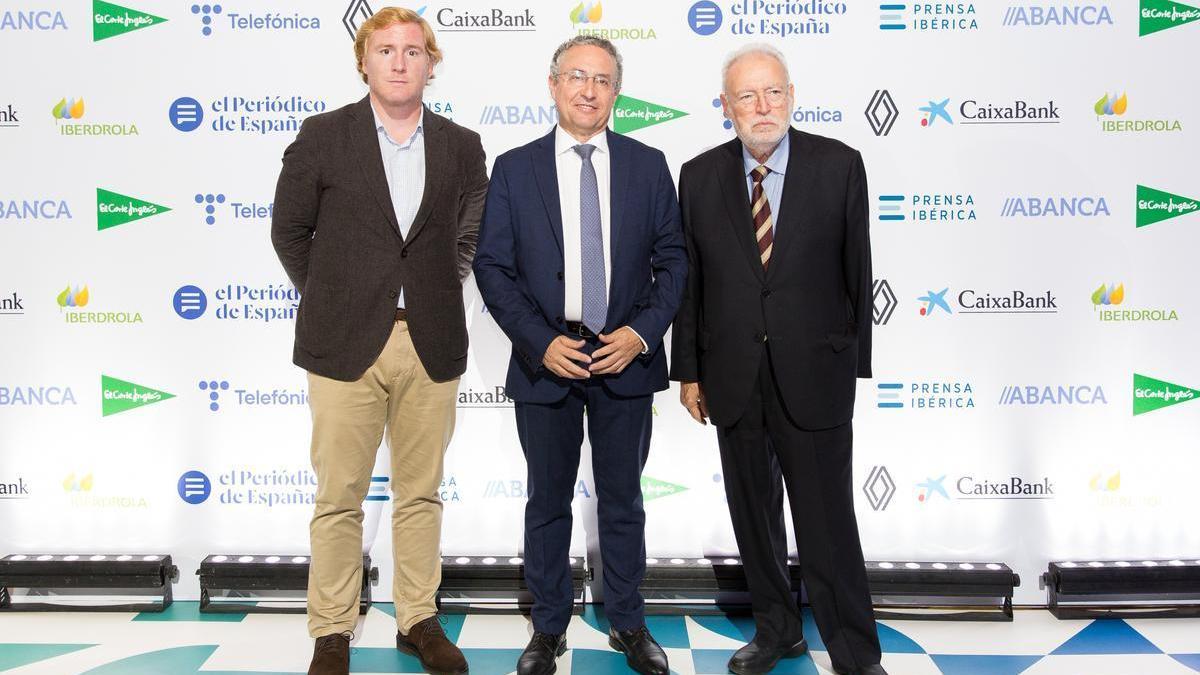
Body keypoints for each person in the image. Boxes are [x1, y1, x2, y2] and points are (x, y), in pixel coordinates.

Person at [270, 7, 486, 675]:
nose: (399, 61)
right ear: (363, 60)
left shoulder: (461, 144)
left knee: (421, 491)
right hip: (342, 345)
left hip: (430, 341)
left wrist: (422, 291)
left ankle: (417, 616)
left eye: (413, 50)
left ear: (431, 63)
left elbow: (468, 238)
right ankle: (332, 629)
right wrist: (339, 295)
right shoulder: (321, 136)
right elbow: (288, 233)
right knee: (339, 495)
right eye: (385, 49)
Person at [670, 44, 887, 675]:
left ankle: (854, 651)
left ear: (792, 95)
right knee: (754, 519)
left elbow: (857, 271)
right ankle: (777, 630)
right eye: (746, 96)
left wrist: (852, 363)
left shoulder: (841, 165)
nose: (761, 107)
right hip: (732, 374)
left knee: (827, 523)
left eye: (772, 93)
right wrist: (689, 370)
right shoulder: (699, 175)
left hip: (815, 375)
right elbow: (692, 283)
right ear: (725, 105)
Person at [473, 35, 687, 675]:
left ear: (617, 92)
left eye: (602, 80)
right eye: (576, 76)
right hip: (548, 361)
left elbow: (674, 262)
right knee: (547, 501)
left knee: (623, 500)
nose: (589, 90)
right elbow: (492, 266)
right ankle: (547, 628)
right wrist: (541, 342)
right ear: (553, 84)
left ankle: (627, 621)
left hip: (628, 359)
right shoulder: (514, 168)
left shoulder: (650, 165)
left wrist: (640, 334)